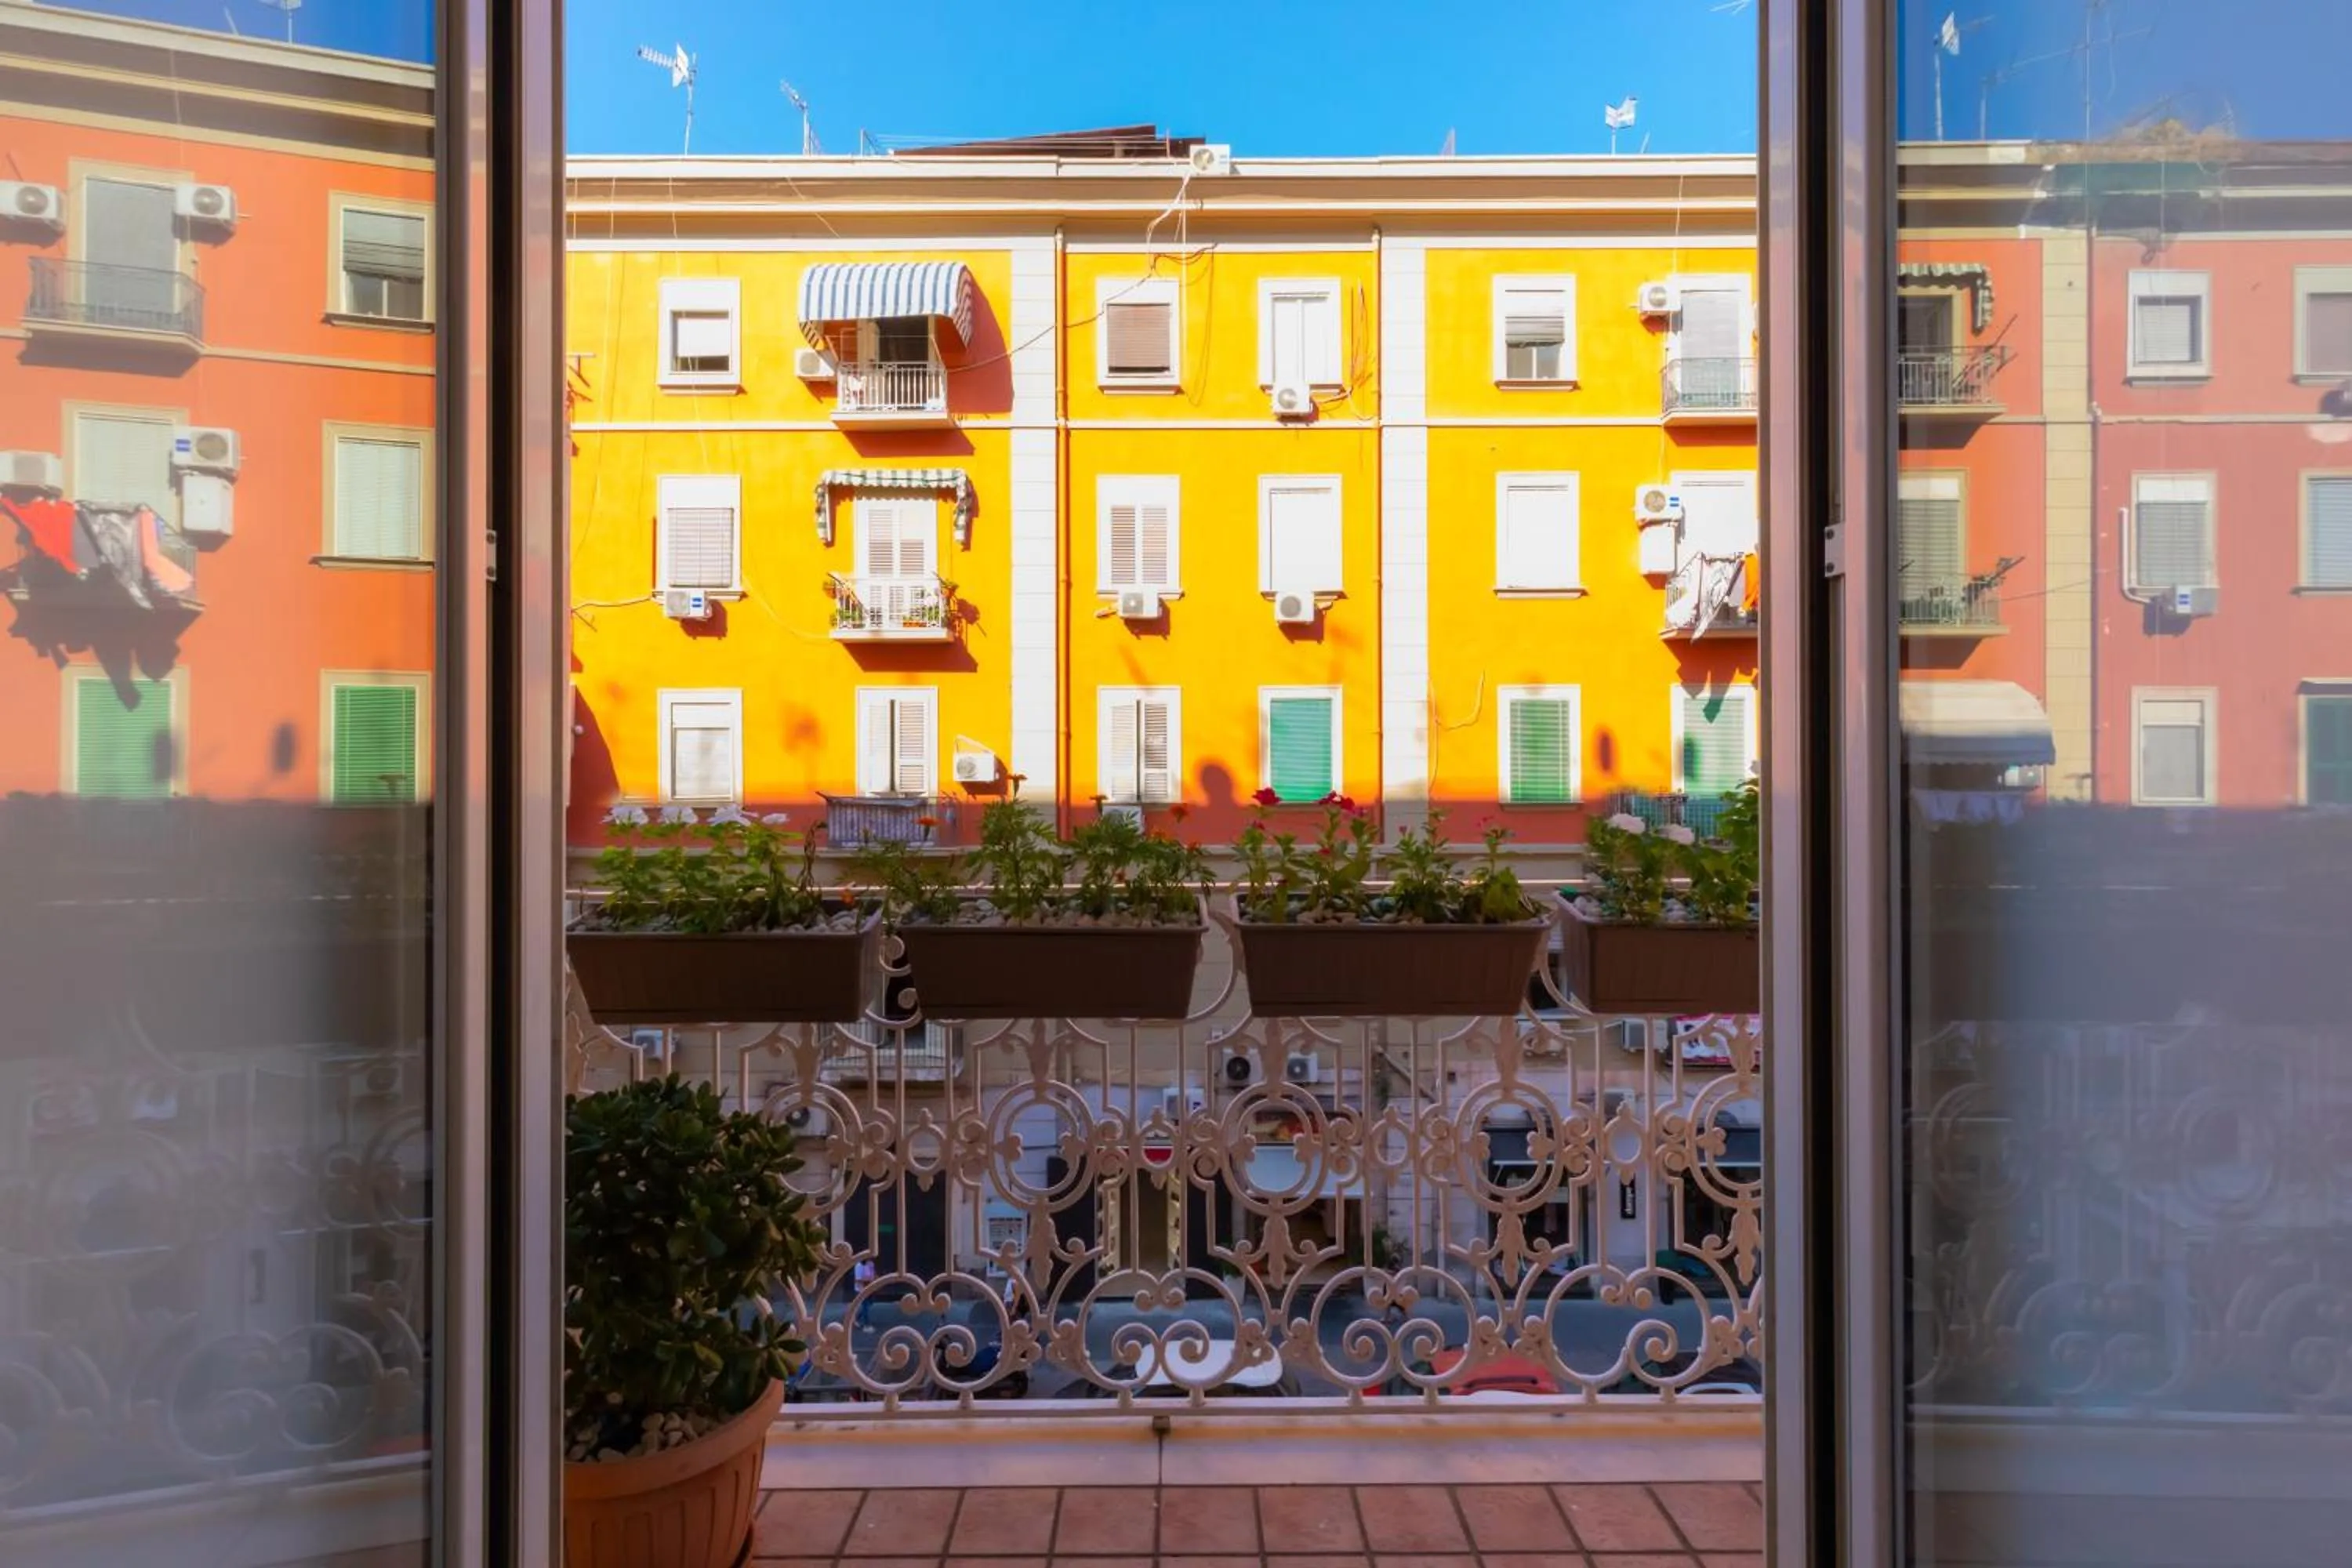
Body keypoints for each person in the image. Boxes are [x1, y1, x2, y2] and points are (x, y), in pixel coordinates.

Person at [851, 1255, 876, 1332]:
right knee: (865, 1306)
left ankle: (856, 1319)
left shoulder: (869, 1264)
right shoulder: (859, 1265)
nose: (869, 1259)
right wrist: (869, 1279)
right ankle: (867, 1325)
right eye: (868, 1258)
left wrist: (874, 1277)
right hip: (861, 1290)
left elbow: (873, 1274)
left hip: (869, 1288)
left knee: (869, 1304)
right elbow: (858, 1280)